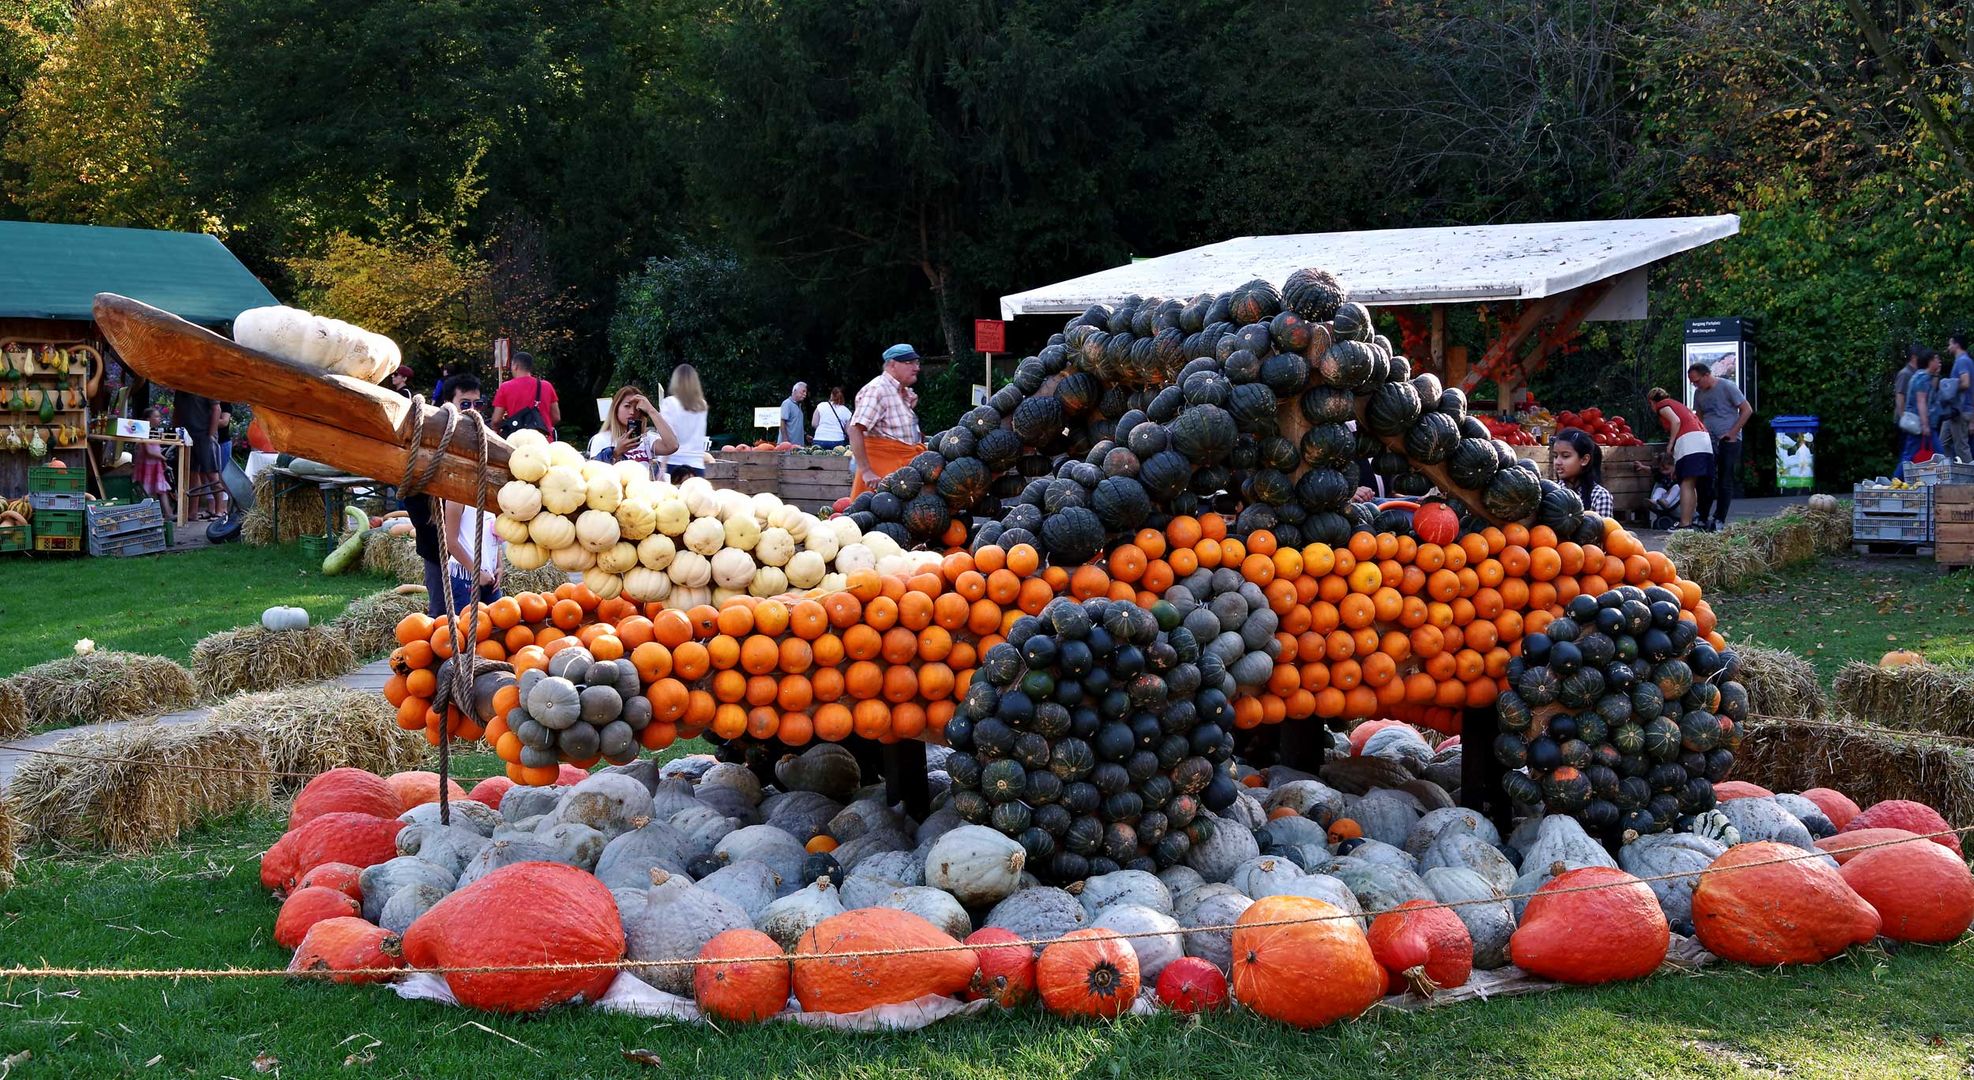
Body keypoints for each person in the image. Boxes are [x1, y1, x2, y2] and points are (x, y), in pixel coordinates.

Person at [406, 376, 482, 617]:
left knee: (481, 613)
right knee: (442, 613)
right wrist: (437, 525)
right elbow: (412, 490)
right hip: (438, 545)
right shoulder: (431, 437)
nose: (473, 410)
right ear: (448, 403)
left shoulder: (479, 438)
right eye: (465, 403)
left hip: (472, 545)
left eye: (478, 404)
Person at [849, 344, 925, 496]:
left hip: (900, 473)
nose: (916, 368)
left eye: (917, 363)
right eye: (909, 363)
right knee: (880, 515)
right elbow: (855, 429)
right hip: (881, 475)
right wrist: (866, 471)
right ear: (892, 365)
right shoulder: (878, 389)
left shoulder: (901, 393)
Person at [1687, 362, 1752, 529]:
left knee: (1725, 479)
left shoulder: (1727, 387)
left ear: (1707, 375)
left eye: (1697, 381)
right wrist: (1699, 435)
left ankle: (1719, 518)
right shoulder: (1698, 393)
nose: (1695, 385)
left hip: (1728, 440)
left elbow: (1746, 410)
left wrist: (1732, 433)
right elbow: (1699, 416)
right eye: (1693, 382)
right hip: (1709, 440)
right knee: (1705, 479)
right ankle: (1702, 516)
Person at [1648, 387, 1713, 530]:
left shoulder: (1662, 405)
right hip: (1703, 440)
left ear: (1652, 402)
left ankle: (1684, 525)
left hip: (1690, 441)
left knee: (1686, 482)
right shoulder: (1677, 404)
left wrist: (1670, 444)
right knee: (1691, 482)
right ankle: (1690, 521)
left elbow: (1676, 421)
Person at [587, 385, 679, 476]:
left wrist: (651, 410)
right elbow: (595, 475)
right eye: (627, 406)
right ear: (616, 408)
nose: (632, 412)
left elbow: (673, 446)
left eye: (637, 408)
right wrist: (616, 452)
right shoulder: (601, 439)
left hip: (641, 490)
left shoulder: (646, 439)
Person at [659, 364, 711, 482]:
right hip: (696, 465)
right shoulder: (701, 405)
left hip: (674, 464)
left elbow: (669, 436)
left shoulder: (669, 403)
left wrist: (662, 466)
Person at [490, 351, 559, 438]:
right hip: (544, 440)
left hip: (517, 441)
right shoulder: (546, 386)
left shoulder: (506, 387)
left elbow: (496, 420)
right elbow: (556, 417)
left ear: (515, 366)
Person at [176, 390, 222, 519]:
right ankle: (192, 512)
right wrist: (176, 431)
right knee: (192, 474)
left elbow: (216, 409)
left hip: (204, 435)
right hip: (187, 435)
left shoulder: (204, 386)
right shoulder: (180, 388)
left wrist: (211, 435)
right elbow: (177, 411)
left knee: (212, 474)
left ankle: (220, 510)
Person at [1550, 428, 1613, 517]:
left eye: (1565, 456)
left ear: (1584, 460)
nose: (1557, 462)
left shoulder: (1600, 496)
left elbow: (1604, 529)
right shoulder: (1551, 493)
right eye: (1555, 456)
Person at [1903, 350, 1942, 471]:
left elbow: (1930, 394)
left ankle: (1896, 480)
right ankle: (1895, 480)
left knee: (1910, 455)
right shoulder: (1922, 378)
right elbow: (1921, 401)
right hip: (1921, 424)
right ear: (1930, 361)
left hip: (1924, 424)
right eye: (1936, 359)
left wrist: (1936, 374)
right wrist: (1925, 425)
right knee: (1909, 456)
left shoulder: (1923, 376)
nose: (1939, 362)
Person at [1943, 331, 1973, 462]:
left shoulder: (1963, 361)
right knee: (1943, 442)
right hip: (1953, 412)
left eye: (1950, 344)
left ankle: (1971, 477)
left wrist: (1949, 387)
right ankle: (1951, 474)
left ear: (1957, 345)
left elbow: (1965, 383)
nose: (1948, 347)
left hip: (1961, 411)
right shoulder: (1964, 361)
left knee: (1961, 447)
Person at [1644, 451, 1681, 529]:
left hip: (1675, 498)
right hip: (1663, 496)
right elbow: (1652, 470)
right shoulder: (1661, 473)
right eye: (1661, 470)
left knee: (1676, 487)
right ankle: (1654, 501)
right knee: (1659, 489)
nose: (1664, 472)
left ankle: (1667, 502)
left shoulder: (1678, 474)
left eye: (1667, 469)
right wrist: (1642, 467)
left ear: (1673, 465)